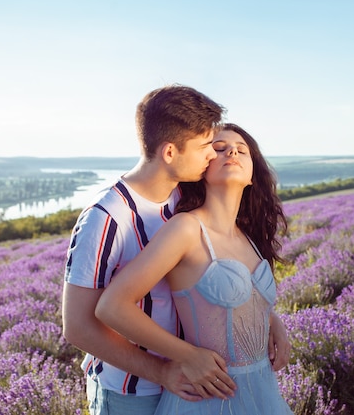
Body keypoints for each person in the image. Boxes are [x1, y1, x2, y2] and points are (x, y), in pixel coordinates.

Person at [63, 85, 290, 415]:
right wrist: (164, 370)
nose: (214, 155)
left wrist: (268, 321)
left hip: (195, 381)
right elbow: (78, 327)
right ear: (170, 153)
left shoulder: (183, 199)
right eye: (206, 147)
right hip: (132, 391)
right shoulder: (106, 219)